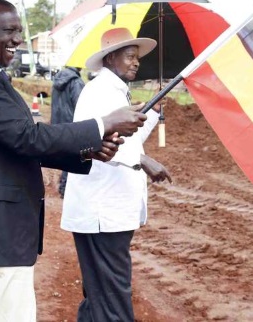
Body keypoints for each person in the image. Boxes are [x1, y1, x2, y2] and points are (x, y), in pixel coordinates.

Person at [0, 0, 148, 322]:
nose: (18, 39)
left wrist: (87, 153)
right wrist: (104, 124)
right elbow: (26, 138)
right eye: (9, 30)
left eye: (19, 31)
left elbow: (20, 143)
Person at [60, 27, 173, 322]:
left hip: (107, 213)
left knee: (99, 294)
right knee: (112, 297)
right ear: (110, 58)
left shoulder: (115, 91)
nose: (136, 62)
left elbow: (127, 139)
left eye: (137, 58)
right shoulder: (99, 92)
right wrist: (143, 160)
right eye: (130, 56)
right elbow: (90, 142)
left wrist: (153, 110)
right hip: (101, 214)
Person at [51, 66, 85, 198]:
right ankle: (65, 188)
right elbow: (81, 105)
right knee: (74, 157)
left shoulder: (57, 80)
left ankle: (63, 185)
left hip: (58, 124)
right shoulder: (76, 82)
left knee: (66, 155)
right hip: (72, 125)